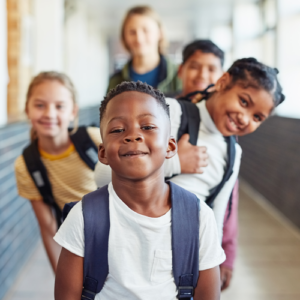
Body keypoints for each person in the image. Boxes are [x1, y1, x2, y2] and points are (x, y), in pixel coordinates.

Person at [54, 81, 225, 300]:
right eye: (117, 129)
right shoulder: (85, 217)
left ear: (170, 147)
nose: (133, 136)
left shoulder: (198, 217)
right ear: (103, 153)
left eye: (147, 127)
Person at [14, 72, 101, 272]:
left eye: (59, 106)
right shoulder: (27, 165)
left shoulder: (94, 140)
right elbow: (48, 228)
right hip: (81, 246)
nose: (49, 114)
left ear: (73, 111)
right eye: (40, 105)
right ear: (27, 109)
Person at [177, 39, 238, 290]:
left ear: (222, 77)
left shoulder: (225, 128)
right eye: (194, 66)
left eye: (211, 68)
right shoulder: (162, 111)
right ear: (181, 70)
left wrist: (227, 252)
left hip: (202, 242)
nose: (202, 74)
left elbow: (229, 196)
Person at [108, 5, 181, 95]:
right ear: (124, 36)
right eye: (132, 32)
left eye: (146, 30)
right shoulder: (115, 81)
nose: (139, 38)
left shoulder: (180, 75)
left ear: (159, 33)